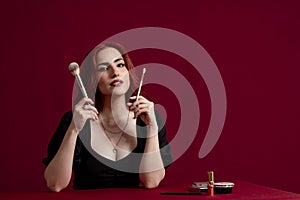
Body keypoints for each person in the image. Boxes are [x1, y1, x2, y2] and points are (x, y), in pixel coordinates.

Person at [42, 42, 172, 192]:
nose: (115, 73)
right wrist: (73, 130)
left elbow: (151, 181)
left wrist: (152, 128)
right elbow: (55, 184)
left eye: (120, 65)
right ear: (92, 79)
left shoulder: (148, 119)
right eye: (104, 68)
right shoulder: (74, 120)